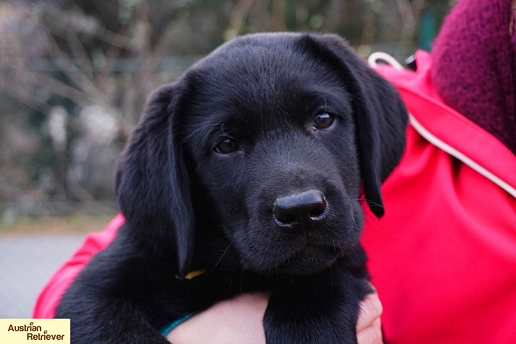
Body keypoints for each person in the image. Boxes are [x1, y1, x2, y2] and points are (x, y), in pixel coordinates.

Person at [34, 0, 516, 342]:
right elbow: (22, 334)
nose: (298, 191)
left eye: (321, 120)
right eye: (226, 144)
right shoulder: (418, 112)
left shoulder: (337, 280)